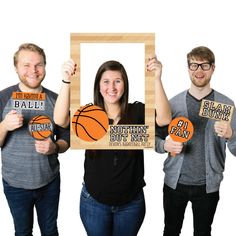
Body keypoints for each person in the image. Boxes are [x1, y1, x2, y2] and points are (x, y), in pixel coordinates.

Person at [54, 56, 171, 236]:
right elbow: (60, 120)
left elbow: (164, 119)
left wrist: (156, 78)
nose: (112, 88)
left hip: (131, 203)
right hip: (94, 202)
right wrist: (66, 80)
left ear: (125, 85)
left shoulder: (137, 111)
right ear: (99, 87)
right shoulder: (88, 114)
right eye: (106, 82)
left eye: (118, 81)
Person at [155, 46, 236, 236]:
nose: (199, 70)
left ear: (213, 68)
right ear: (188, 68)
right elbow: (153, 138)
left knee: (203, 232)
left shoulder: (226, 105)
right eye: (194, 65)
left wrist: (231, 135)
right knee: (171, 230)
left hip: (208, 186)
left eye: (205, 65)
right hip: (175, 184)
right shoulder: (173, 104)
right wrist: (164, 145)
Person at [0, 43, 70, 236]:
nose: (33, 70)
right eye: (26, 65)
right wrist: (4, 126)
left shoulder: (57, 99)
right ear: (16, 67)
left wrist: (54, 147)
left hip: (49, 182)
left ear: (45, 67)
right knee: (22, 232)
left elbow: (67, 138)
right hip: (15, 185)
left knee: (49, 231)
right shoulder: (3, 97)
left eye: (39, 65)